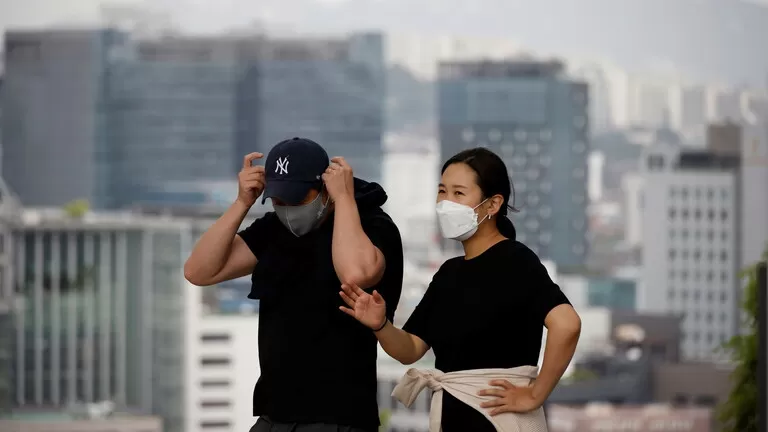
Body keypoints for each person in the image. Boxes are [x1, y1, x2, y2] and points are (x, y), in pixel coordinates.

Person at [339, 147, 581, 431]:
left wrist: (536, 394)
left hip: (499, 418)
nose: (446, 202)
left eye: (458, 193)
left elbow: (567, 324)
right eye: (442, 191)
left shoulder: (516, 260)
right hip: (452, 415)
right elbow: (411, 349)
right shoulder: (448, 273)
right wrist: (380, 325)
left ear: (492, 205)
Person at [184, 137, 404, 432]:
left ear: (326, 188)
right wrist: (242, 203)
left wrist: (346, 199)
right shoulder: (274, 229)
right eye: (278, 201)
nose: (287, 210)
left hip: (339, 417)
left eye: (297, 200)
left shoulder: (372, 225)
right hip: (274, 415)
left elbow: (356, 273)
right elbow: (199, 272)